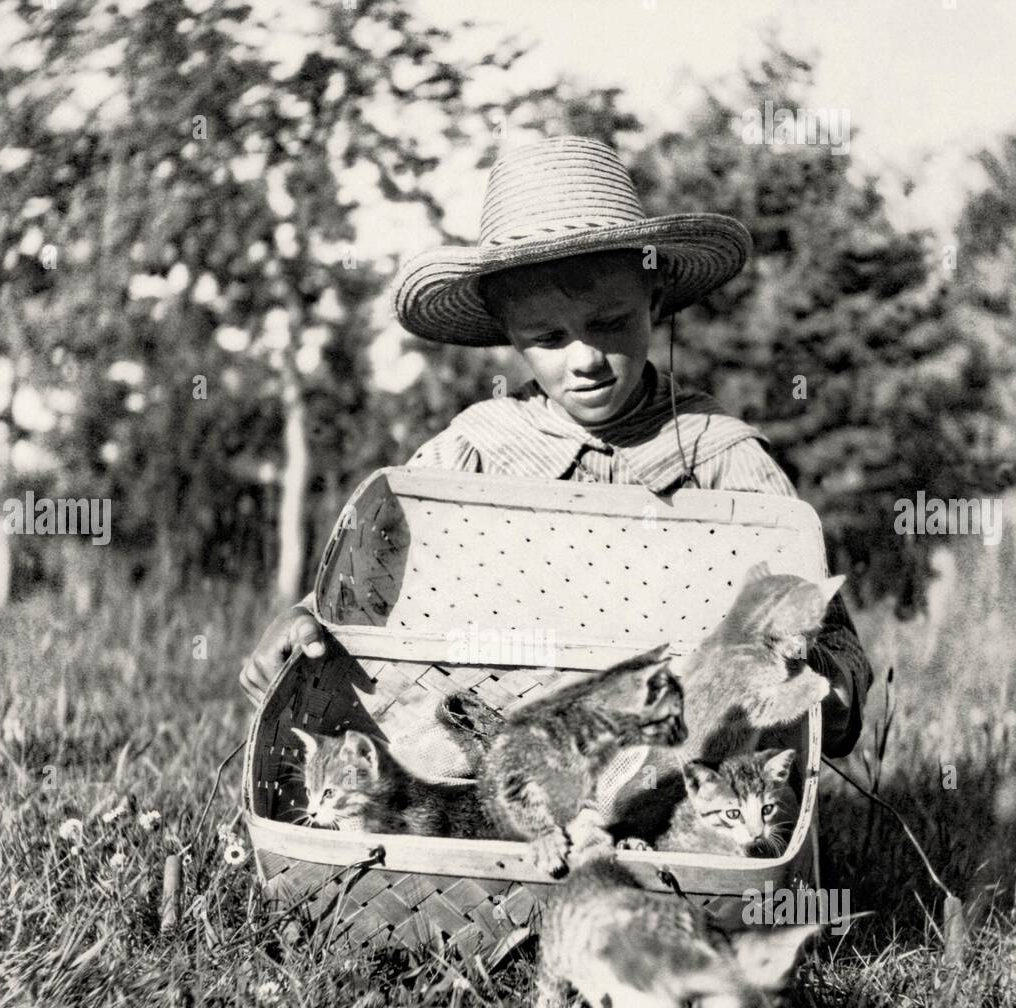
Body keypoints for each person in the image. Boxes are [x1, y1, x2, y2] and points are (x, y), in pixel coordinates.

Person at [240, 136, 871, 756]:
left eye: (611, 322)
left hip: (682, 759)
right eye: (548, 336)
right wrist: (302, 624)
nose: (587, 358)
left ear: (653, 298)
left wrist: (832, 688)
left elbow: (826, 634)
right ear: (508, 335)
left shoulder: (719, 457)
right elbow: (368, 590)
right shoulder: (472, 456)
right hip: (499, 751)